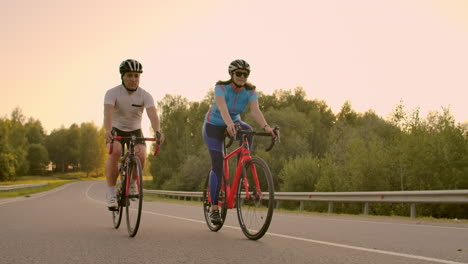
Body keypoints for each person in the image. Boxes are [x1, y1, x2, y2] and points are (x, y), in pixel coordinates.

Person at [202, 59, 275, 224]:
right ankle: (214, 208)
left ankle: (243, 168)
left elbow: (255, 111)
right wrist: (228, 124)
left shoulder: (250, 91)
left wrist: (266, 127)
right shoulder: (221, 88)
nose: (242, 77)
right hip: (213, 125)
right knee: (218, 165)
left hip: (234, 123)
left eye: (245, 74)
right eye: (239, 74)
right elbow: (222, 108)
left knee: (249, 132)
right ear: (231, 74)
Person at [103, 59, 164, 210]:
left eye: (136, 76)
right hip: (116, 129)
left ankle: (132, 183)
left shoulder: (145, 95)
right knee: (115, 151)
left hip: (135, 131)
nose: (133, 79)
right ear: (122, 76)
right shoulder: (112, 93)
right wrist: (108, 131)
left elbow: (153, 116)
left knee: (142, 155)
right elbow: (108, 114)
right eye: (130, 75)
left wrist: (157, 132)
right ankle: (111, 193)